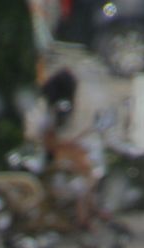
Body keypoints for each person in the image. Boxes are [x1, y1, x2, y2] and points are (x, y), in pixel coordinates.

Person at [24, 67, 108, 231]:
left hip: (54, 156)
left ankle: (86, 213)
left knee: (84, 167)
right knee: (83, 169)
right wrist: (72, 147)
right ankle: (84, 216)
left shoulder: (55, 110)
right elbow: (49, 143)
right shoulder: (47, 112)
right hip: (44, 159)